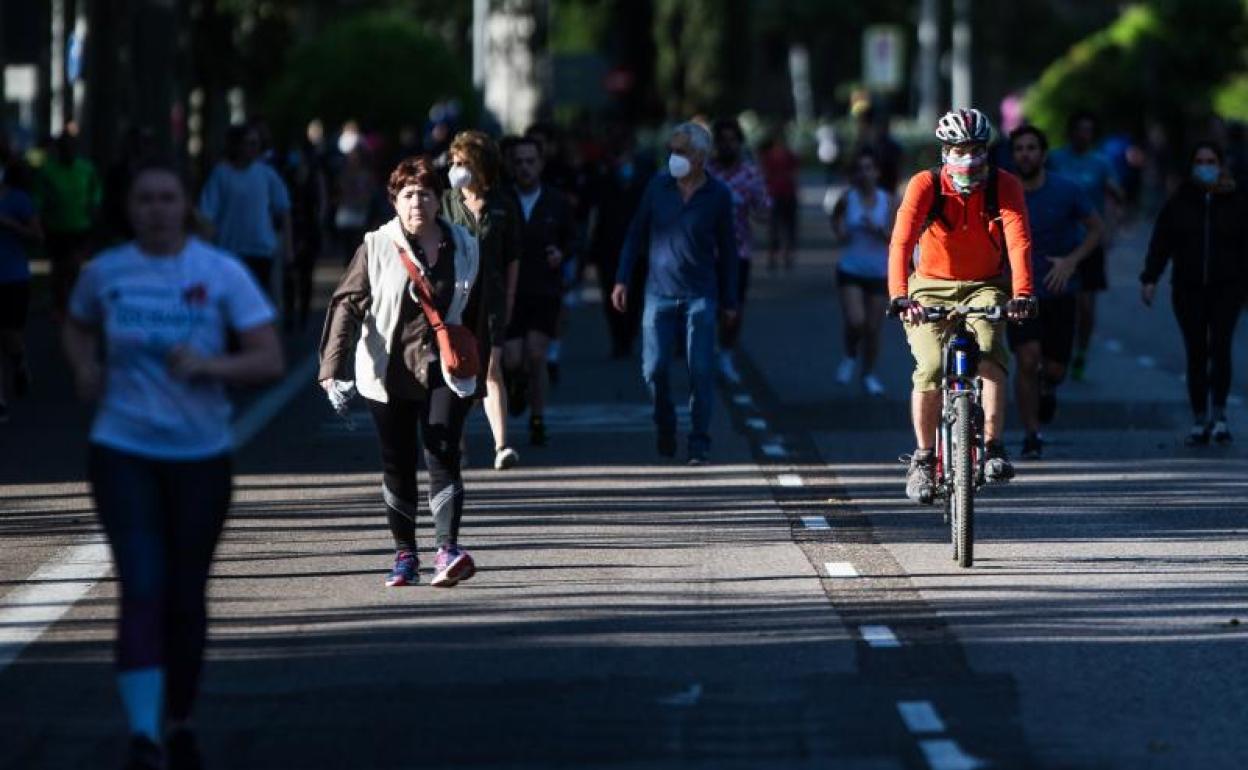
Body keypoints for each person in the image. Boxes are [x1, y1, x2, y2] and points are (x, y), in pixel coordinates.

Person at [62, 159, 283, 770]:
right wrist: (84, 367)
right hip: (122, 448)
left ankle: (180, 721)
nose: (156, 209)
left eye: (167, 198)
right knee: (141, 587)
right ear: (129, 209)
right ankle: (143, 736)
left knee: (185, 596)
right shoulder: (105, 274)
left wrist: (213, 367)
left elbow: (267, 358)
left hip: (200, 457)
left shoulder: (220, 273)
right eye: (144, 199)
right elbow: (77, 325)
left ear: (186, 206)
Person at [320, 155, 481, 589]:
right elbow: (346, 305)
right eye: (408, 195)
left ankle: (447, 548)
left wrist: (485, 365)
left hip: (444, 370)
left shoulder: (464, 243)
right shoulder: (376, 245)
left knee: (443, 451)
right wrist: (331, 369)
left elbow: (479, 307)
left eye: (425, 195)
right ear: (395, 200)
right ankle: (405, 554)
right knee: (398, 462)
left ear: (437, 199)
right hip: (386, 371)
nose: (417, 203)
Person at [888, 108, 1035, 504]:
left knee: (989, 355)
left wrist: (1021, 295)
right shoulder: (925, 185)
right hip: (929, 288)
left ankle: (993, 446)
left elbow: (1018, 241)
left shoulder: (1004, 185)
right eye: (958, 150)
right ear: (944, 152)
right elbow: (901, 243)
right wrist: (900, 296)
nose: (967, 158)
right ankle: (922, 459)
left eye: (975, 150)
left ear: (988, 152)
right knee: (931, 368)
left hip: (985, 286)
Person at [612, 121, 738, 465]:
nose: (674, 157)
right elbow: (635, 234)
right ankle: (664, 421)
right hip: (659, 293)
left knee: (700, 371)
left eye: (681, 151)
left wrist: (730, 300)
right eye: (672, 150)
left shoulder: (718, 195)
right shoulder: (657, 187)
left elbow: (728, 250)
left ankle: (699, 442)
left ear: (700, 157)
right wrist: (622, 279)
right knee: (653, 369)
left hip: (701, 296)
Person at [1141, 142, 1248, 446]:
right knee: (1196, 351)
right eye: (1200, 160)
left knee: (1221, 346)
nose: (1206, 165)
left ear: (1221, 164)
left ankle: (1221, 415)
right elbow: (1161, 242)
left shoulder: (1237, 201)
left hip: (1228, 287)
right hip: (1188, 288)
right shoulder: (1179, 202)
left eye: (1211, 160)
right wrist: (1150, 278)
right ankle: (1200, 417)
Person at [1008, 125, 1103, 458]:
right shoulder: (1004, 194)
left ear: (1043, 154)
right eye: (1019, 148)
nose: (1025, 154)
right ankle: (1031, 433)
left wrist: (1071, 261)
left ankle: (1048, 389)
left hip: (1060, 290)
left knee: (1054, 369)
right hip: (1021, 294)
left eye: (1032, 147)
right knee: (1026, 358)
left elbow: (1095, 228)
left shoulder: (1067, 190)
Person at [442, 130, 523, 469]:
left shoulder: (504, 203)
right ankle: (456, 447)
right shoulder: (446, 202)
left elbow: (513, 257)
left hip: (491, 299)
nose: (457, 169)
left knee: (491, 369)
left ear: (481, 167)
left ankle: (502, 445)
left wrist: (510, 298)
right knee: (457, 370)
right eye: (454, 162)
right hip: (455, 300)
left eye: (464, 163)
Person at [503, 136, 577, 446]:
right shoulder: (501, 200)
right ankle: (516, 386)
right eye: (518, 162)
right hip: (509, 293)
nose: (525, 168)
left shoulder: (557, 202)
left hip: (544, 290)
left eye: (530, 161)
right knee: (511, 360)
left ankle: (538, 417)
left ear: (541, 164)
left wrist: (563, 254)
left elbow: (574, 240)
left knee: (536, 355)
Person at [1048, 111, 1125, 381]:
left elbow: (1116, 196)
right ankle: (1058, 352)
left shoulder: (1100, 163)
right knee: (1059, 301)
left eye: (1089, 130)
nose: (1084, 135)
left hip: (1089, 243)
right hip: (1059, 242)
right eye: (1079, 129)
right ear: (1071, 132)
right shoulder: (1056, 159)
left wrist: (1112, 225)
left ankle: (1081, 350)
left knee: (1086, 306)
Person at [707, 117, 771, 384]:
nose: (727, 146)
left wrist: (756, 206)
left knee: (733, 308)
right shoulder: (706, 172)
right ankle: (701, 352)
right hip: (705, 252)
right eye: (722, 141)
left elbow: (764, 211)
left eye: (732, 141)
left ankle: (727, 355)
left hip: (738, 252)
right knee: (705, 307)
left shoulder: (750, 173)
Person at [197, 123, 293, 298]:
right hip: (229, 252)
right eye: (249, 143)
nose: (254, 148)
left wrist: (288, 248)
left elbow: (284, 209)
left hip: (261, 251)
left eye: (256, 143)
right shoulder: (220, 175)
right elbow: (207, 215)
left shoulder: (266, 174)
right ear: (237, 145)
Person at [830, 148, 894, 396]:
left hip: (878, 272)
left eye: (869, 168)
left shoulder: (888, 200)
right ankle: (849, 355)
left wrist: (878, 229)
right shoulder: (847, 198)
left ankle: (868, 374)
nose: (864, 173)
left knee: (873, 329)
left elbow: (897, 237)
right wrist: (840, 232)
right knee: (856, 321)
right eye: (860, 169)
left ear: (877, 172)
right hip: (851, 269)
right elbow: (835, 218)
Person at [589, 129, 651, 359]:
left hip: (639, 246)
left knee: (635, 294)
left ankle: (628, 334)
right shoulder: (603, 174)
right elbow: (594, 211)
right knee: (610, 293)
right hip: (609, 244)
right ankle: (618, 336)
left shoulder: (645, 174)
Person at [36, 131, 101, 318]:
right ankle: (59, 304)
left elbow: (96, 190)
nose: (68, 151)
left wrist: (94, 206)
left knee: (74, 266)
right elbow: (38, 197)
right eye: (64, 147)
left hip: (80, 226)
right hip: (56, 227)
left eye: (71, 147)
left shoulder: (86, 168)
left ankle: (73, 304)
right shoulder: (47, 171)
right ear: (58, 149)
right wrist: (40, 218)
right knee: (58, 268)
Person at [0, 155, 42, 422]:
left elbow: (38, 237)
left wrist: (8, 224)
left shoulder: (18, 200)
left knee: (8, 334)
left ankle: (18, 362)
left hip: (13, 277)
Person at [759, 129, 800, 270]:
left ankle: (782, 255)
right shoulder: (773, 155)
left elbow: (794, 172)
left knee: (782, 227)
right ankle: (777, 256)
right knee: (780, 227)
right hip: (778, 193)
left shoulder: (777, 155)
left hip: (783, 193)